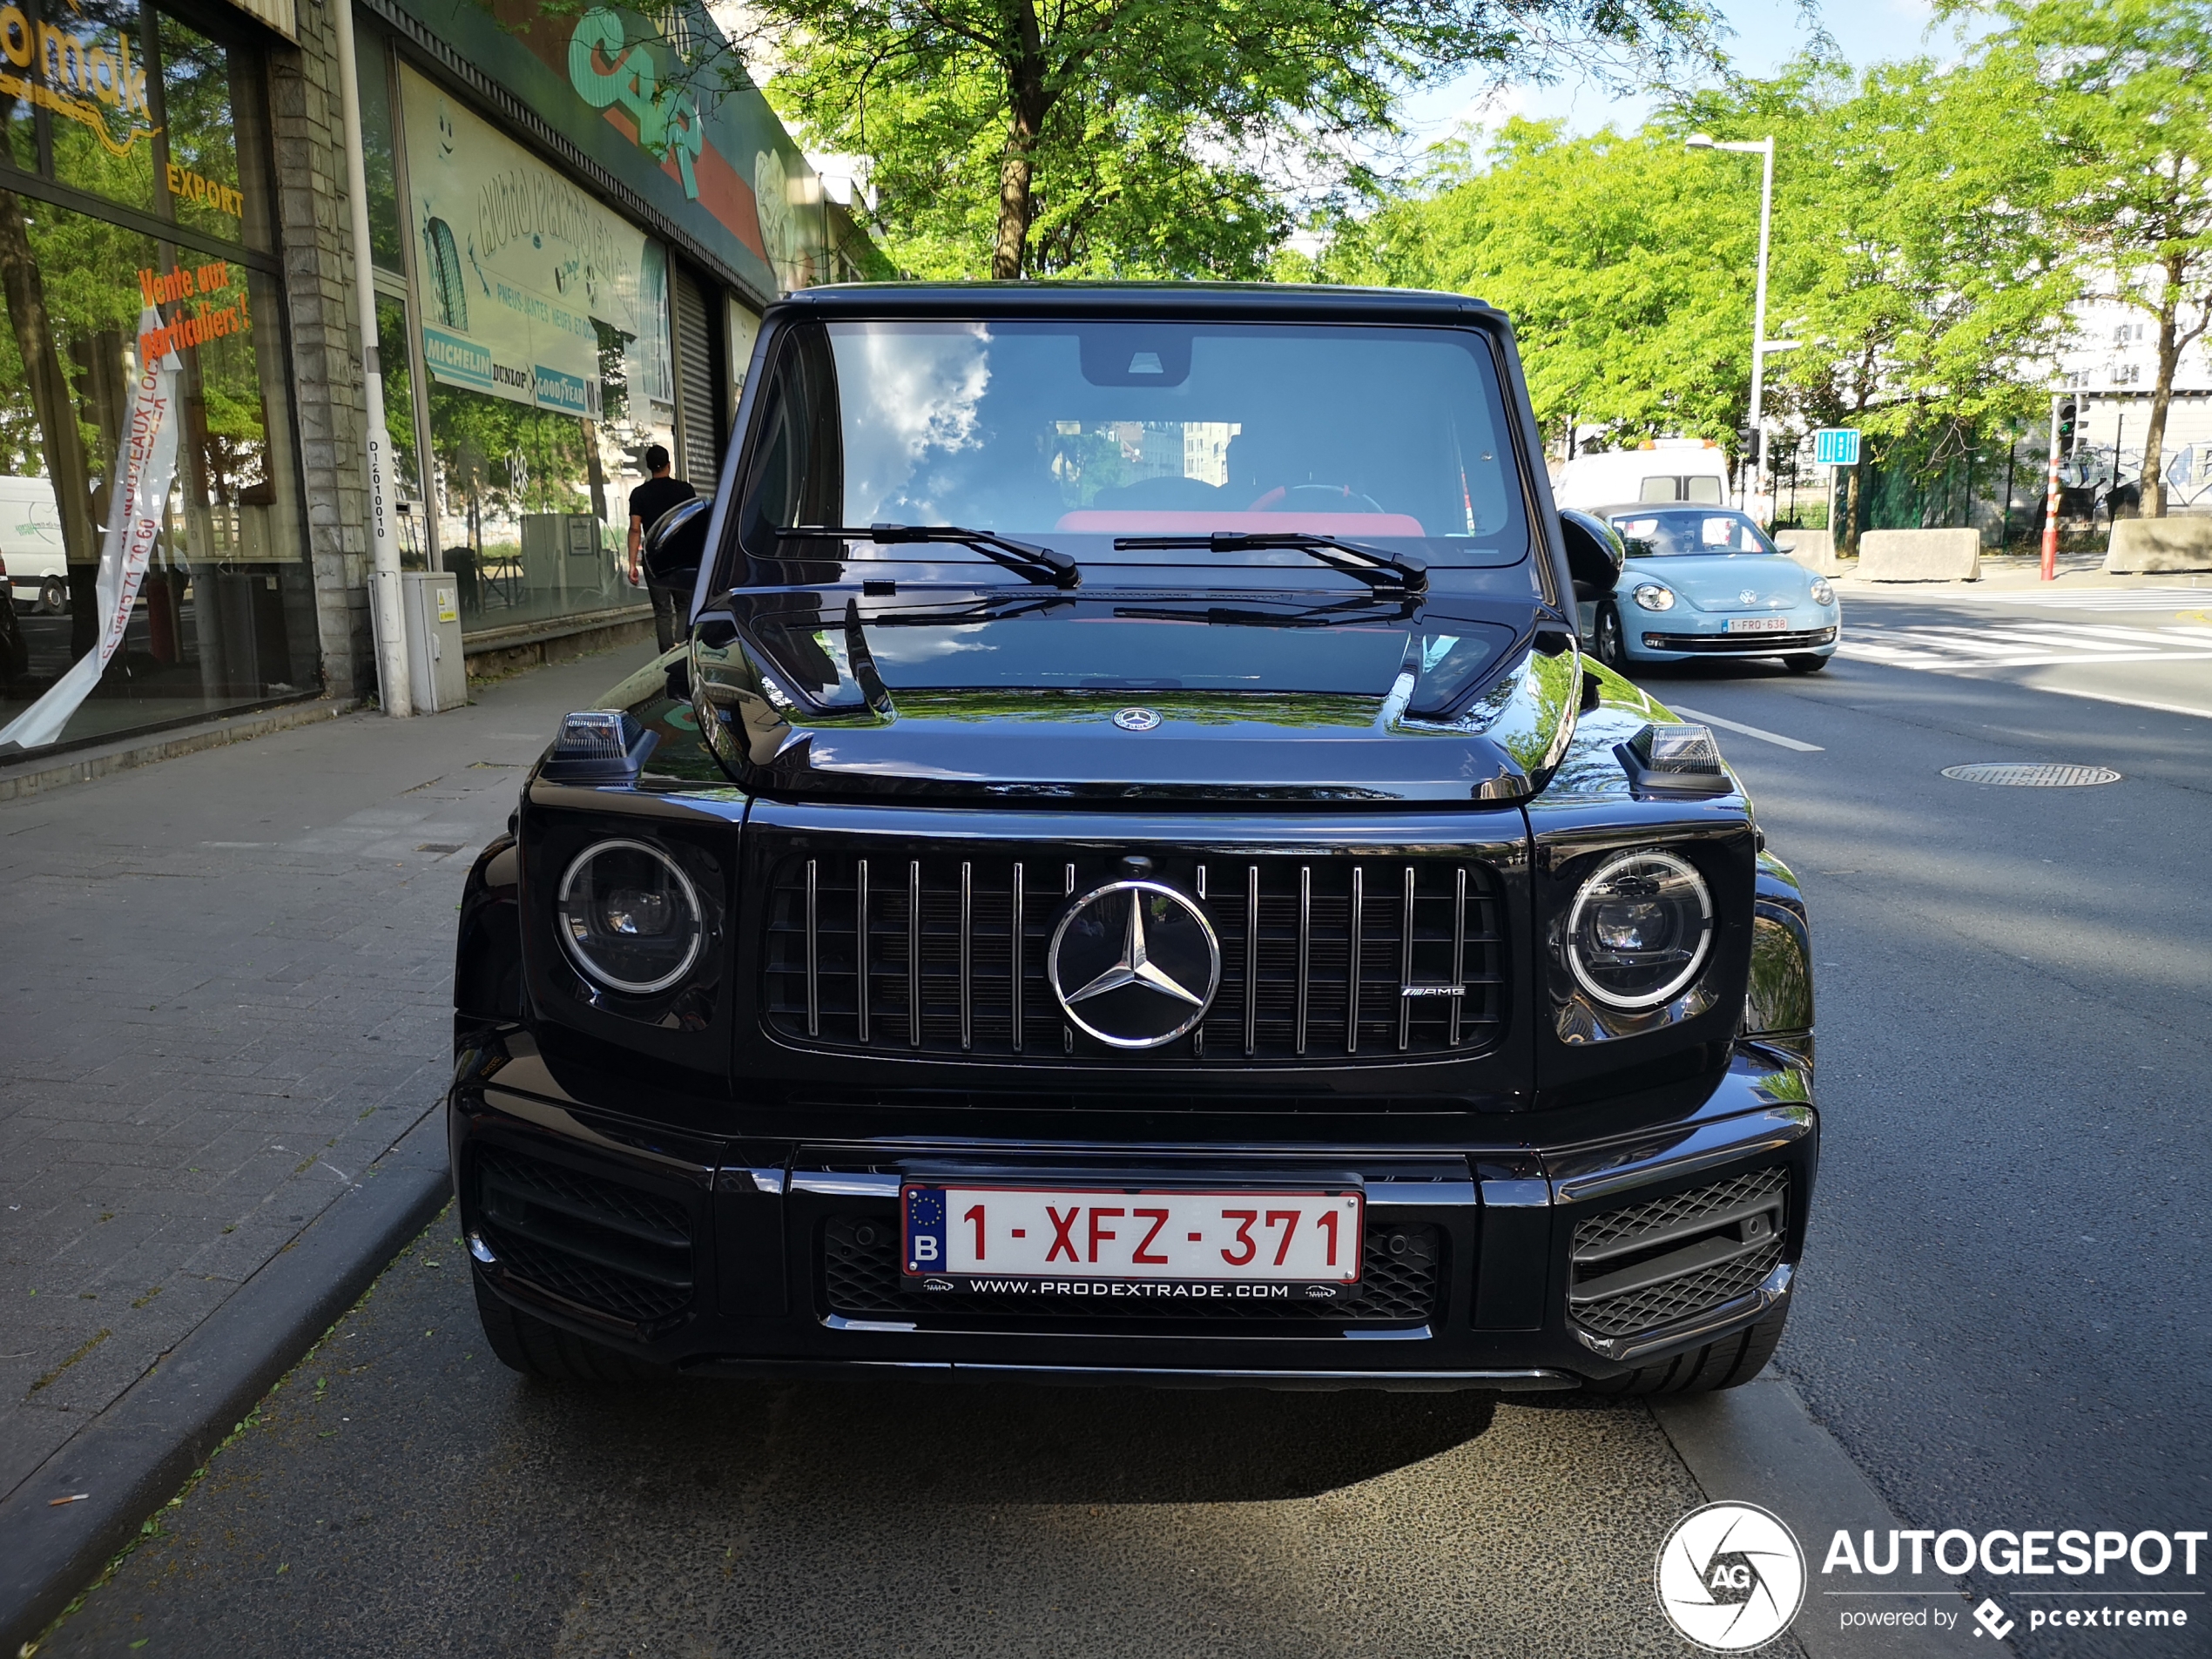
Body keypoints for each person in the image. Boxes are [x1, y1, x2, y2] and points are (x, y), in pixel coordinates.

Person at [627, 445, 698, 652]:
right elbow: (694, 523)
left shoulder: (639, 494)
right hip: (682, 556)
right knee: (684, 605)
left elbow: (634, 529)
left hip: (654, 558)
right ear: (669, 465)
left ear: (649, 467)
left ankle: (666, 655)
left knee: (662, 610)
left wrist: (632, 563)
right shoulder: (685, 490)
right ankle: (682, 648)